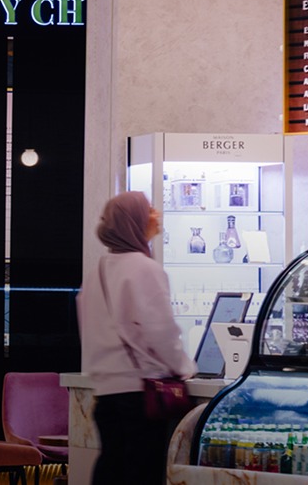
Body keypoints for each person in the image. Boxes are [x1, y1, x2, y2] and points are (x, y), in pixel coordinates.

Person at [77, 191, 196, 484]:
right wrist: (184, 368)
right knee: (142, 472)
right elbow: (160, 330)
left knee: (111, 468)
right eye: (149, 210)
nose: (156, 214)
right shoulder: (145, 268)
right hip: (140, 395)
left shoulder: (97, 272)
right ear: (134, 221)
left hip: (106, 393)